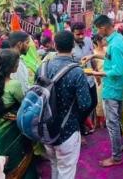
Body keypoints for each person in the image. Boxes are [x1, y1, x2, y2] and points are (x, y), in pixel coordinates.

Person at [39, 31, 91, 178]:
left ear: (55, 45)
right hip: (67, 130)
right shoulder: (77, 72)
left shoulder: (42, 67)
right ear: (73, 46)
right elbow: (85, 103)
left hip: (46, 128)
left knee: (54, 165)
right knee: (66, 170)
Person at [82, 15, 123, 167]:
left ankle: (116, 157)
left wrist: (94, 73)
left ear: (103, 27)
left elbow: (116, 70)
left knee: (113, 124)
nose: (97, 31)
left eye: (97, 28)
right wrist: (94, 55)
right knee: (121, 120)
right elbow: (111, 58)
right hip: (120, 87)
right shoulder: (117, 39)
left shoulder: (115, 44)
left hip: (113, 88)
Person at [0, 49, 37, 178]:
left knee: (6, 160)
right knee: (19, 157)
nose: (18, 65)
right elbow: (23, 105)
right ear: (12, 66)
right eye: (17, 63)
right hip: (12, 130)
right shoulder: (14, 85)